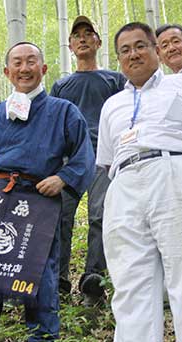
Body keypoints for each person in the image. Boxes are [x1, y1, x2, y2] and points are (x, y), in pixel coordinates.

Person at [0, 42, 95, 342]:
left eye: (31, 61)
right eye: (17, 62)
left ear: (43, 69)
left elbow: (84, 157)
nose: (24, 68)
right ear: (7, 72)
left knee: (39, 273)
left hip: (37, 202)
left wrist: (63, 178)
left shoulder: (63, 111)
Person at [98, 22, 182, 342]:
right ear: (118, 59)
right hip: (125, 183)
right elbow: (106, 160)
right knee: (131, 286)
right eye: (125, 50)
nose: (134, 54)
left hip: (179, 172)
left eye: (141, 45)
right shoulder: (111, 105)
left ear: (157, 51)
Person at [50, 15, 126, 302]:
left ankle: (93, 281)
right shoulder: (61, 85)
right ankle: (57, 279)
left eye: (88, 33)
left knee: (100, 215)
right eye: (76, 35)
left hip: (103, 157)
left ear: (98, 41)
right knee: (60, 217)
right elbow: (54, 124)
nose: (82, 38)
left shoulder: (114, 79)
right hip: (69, 160)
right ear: (70, 45)